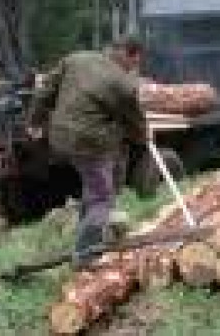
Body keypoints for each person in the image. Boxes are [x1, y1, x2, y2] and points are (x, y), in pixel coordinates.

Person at [32, 36, 146, 269]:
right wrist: (144, 135)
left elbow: (46, 90)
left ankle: (95, 235)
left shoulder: (76, 59)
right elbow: (133, 121)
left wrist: (35, 120)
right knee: (102, 197)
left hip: (60, 137)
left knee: (95, 188)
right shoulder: (122, 84)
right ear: (128, 55)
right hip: (89, 144)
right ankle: (85, 257)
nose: (134, 67)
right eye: (134, 62)